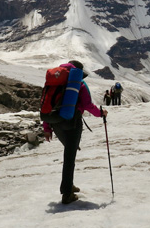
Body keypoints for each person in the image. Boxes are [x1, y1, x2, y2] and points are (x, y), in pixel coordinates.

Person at [42, 61, 106, 204]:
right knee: (70, 158)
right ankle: (67, 193)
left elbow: (47, 105)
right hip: (72, 123)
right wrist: (101, 113)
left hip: (55, 123)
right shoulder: (79, 84)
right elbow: (88, 105)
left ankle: (69, 185)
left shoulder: (54, 82)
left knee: (69, 153)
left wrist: (47, 128)